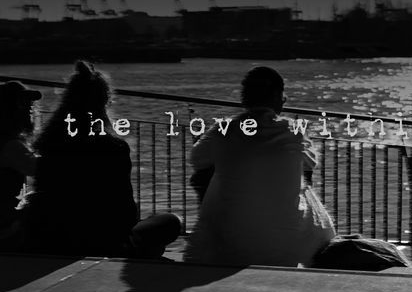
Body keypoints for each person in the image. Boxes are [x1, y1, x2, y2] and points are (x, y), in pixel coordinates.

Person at [24, 60, 181, 258]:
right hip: (102, 241)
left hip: (53, 236)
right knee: (170, 221)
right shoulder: (113, 147)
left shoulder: (49, 142)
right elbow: (125, 210)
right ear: (104, 101)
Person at [184, 66, 335, 267]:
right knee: (304, 187)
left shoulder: (224, 129)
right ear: (277, 97)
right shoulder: (294, 131)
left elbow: (197, 159)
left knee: (206, 174)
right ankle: (318, 250)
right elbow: (310, 165)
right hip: (285, 248)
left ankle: (214, 230)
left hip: (230, 247)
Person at [0, 81, 41, 249]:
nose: (31, 110)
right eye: (26, 106)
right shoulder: (10, 146)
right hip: (5, 227)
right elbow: (41, 169)